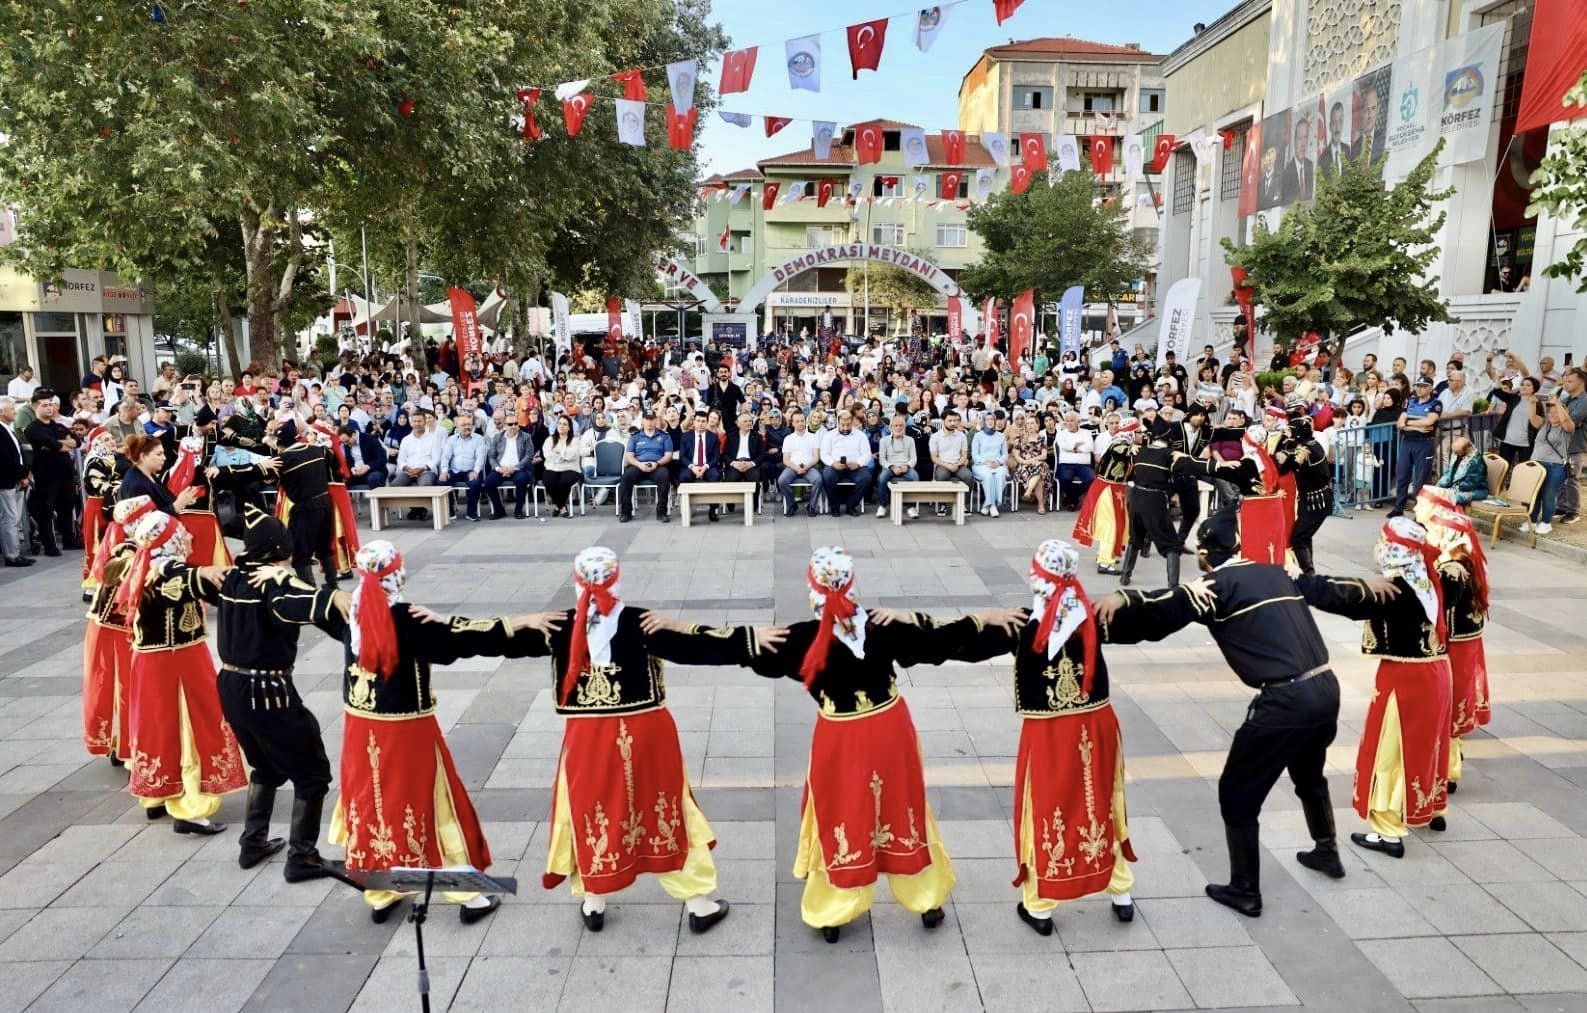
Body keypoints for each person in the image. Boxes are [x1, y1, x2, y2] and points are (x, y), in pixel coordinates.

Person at [1094, 505, 1373, 917]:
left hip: (1284, 700)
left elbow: (1163, 610)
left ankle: (1245, 888)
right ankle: (1326, 850)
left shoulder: (1216, 585)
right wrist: (1372, 588)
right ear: (1239, 545)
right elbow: (1327, 590)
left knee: (1237, 794)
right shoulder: (1275, 572)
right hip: (1325, 688)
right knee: (1308, 774)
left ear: (1205, 554)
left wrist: (1121, 600)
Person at [746, 546, 1020, 942]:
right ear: (852, 583)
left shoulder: (798, 637)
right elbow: (944, 641)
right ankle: (926, 898)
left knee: (842, 813)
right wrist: (987, 620)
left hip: (839, 737)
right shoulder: (883, 624)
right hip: (890, 729)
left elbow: (737, 649)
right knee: (904, 805)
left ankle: (833, 907)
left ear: (812, 587)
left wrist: (726, 636)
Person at [522, 547, 782, 933]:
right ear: (616, 578)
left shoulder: (556, 625)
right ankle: (698, 903)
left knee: (590, 808)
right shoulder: (643, 622)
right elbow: (698, 647)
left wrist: (513, 621)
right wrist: (749, 638)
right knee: (668, 809)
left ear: (576, 581)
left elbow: (486, 639)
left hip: (588, 738)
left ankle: (594, 900)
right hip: (646, 733)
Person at [324, 541, 556, 924]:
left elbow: (308, 601)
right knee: (430, 807)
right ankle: (468, 896)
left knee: (370, 804)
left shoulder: (350, 611)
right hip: (406, 732)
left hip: (360, 730)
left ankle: (380, 890)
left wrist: (317, 588)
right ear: (396, 574)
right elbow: (467, 639)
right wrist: (521, 622)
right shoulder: (410, 620)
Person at [957, 540, 1140, 932]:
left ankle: (1040, 906)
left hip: (1050, 732)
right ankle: (1121, 890)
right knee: (1102, 800)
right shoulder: (1094, 615)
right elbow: (1153, 618)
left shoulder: (1023, 624)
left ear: (1041, 577)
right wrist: (1127, 598)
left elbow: (960, 645)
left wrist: (979, 619)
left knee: (1046, 808)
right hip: (1097, 724)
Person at [1299, 518, 1452, 858]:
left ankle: (1388, 832)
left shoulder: (1396, 588)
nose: (1379, 548)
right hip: (1438, 672)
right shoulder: (1430, 576)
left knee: (1389, 752)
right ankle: (1430, 810)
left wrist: (1299, 582)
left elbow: (1346, 599)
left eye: (1384, 542)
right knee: (1430, 744)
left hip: (1405, 679)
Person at [215, 506, 350, 880]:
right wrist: (333, 596)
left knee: (266, 766)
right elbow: (302, 604)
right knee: (312, 774)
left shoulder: (233, 577)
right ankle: (302, 857)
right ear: (280, 550)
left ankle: (252, 842)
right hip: (267, 691)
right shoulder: (274, 584)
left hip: (230, 686)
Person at [119, 510, 245, 832]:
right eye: (182, 533)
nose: (189, 537)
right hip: (177, 662)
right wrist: (205, 571)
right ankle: (191, 808)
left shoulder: (146, 565)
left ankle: (158, 795)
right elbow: (180, 575)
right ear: (169, 540)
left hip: (154, 663)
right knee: (189, 726)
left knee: (157, 725)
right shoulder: (165, 568)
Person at [82, 497, 151, 766]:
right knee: (124, 687)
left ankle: (118, 743)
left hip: (109, 627)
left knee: (116, 687)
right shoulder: (129, 552)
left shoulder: (123, 544)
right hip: (117, 630)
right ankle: (125, 745)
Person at [273, 423, 339, 584]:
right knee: (324, 548)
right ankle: (332, 585)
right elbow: (334, 463)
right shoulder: (318, 450)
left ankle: (310, 593)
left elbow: (264, 476)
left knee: (301, 553)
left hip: (305, 508)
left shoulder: (282, 460)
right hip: (326, 503)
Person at [1120, 422, 1181, 586]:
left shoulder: (1138, 450)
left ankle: (1125, 576)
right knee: (1172, 545)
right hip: (1155, 500)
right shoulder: (1170, 455)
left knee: (1135, 537)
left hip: (1136, 496)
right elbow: (1177, 481)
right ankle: (1173, 586)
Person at [1074, 419, 1137, 576]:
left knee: (1117, 524)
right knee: (1111, 525)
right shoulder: (1120, 444)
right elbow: (1120, 452)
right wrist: (1132, 449)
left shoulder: (1123, 443)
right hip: (1107, 490)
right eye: (1138, 432)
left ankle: (1105, 555)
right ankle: (1104, 562)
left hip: (1116, 489)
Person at [24, 389, 80, 557]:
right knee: (46, 510)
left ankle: (69, 540)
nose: (50, 408)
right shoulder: (32, 428)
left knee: (67, 506)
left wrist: (61, 443)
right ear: (36, 408)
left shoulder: (58, 425)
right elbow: (51, 443)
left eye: (51, 404)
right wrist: (61, 444)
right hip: (46, 474)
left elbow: (76, 441)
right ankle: (50, 546)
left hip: (65, 472)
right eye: (45, 405)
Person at [1275, 414, 1333, 574]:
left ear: (1298, 433)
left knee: (1298, 538)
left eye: (1290, 431)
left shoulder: (1305, 449)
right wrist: (1285, 446)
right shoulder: (1309, 443)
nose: (1287, 433)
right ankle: (1309, 571)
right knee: (1304, 536)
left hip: (1316, 501)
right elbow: (1285, 466)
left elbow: (1288, 465)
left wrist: (1284, 453)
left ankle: (1308, 575)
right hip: (1311, 499)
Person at [1389, 376, 1441, 516]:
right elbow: (1400, 422)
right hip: (1407, 442)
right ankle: (1398, 508)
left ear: (1430, 388)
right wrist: (1414, 426)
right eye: (1418, 386)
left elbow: (1429, 421)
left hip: (1424, 443)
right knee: (1402, 476)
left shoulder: (1435, 403)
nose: (1419, 389)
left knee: (1421, 480)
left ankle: (1421, 514)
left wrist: (1408, 424)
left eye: (1423, 386)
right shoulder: (1410, 401)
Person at [619, 408, 675, 524]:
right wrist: (639, 464)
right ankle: (626, 512)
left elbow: (669, 455)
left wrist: (657, 463)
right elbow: (629, 456)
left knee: (665, 476)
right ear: (643, 421)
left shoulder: (664, 436)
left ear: (655, 421)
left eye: (652, 419)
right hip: (638, 466)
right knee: (626, 478)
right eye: (647, 419)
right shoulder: (635, 436)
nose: (649, 422)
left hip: (657, 465)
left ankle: (661, 512)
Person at [79, 426, 118, 592]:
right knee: (96, 543)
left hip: (112, 504)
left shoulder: (113, 458)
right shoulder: (95, 460)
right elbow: (97, 485)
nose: (111, 442)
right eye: (106, 439)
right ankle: (92, 586)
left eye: (111, 438)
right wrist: (117, 486)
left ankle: (109, 579)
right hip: (98, 506)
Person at [820, 409, 874, 517]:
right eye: (842, 425)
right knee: (827, 476)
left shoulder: (860, 435)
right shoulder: (829, 435)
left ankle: (851, 505)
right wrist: (832, 463)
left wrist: (858, 463)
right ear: (838, 422)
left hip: (855, 466)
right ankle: (835, 507)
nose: (845, 428)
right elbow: (824, 454)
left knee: (866, 477)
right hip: (835, 466)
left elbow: (867, 454)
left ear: (852, 422)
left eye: (848, 425)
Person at [778, 409, 825, 517]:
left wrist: (805, 467)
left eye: (802, 421)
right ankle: (792, 504)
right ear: (792, 423)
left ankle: (812, 506)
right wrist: (797, 468)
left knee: (818, 479)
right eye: (797, 421)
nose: (800, 423)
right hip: (792, 467)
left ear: (805, 421)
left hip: (809, 467)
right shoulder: (788, 439)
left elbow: (816, 457)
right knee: (782, 480)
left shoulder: (813, 437)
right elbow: (786, 459)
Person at [0, 396, 29, 567]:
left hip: (14, 479)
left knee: (13, 518)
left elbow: (17, 454)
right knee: (9, 518)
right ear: (2, 412)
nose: (15, 411)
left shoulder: (7, 429)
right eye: (12, 409)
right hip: (6, 481)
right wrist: (22, 474)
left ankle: (14, 553)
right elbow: (5, 459)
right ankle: (12, 555)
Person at [678, 411, 723, 522]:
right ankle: (687, 507)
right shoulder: (685, 436)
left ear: (707, 422)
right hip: (691, 466)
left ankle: (713, 510)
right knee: (684, 477)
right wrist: (692, 467)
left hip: (708, 467)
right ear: (694, 421)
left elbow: (716, 457)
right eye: (698, 421)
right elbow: (682, 456)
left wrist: (705, 466)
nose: (701, 424)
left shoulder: (713, 437)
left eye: (703, 421)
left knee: (715, 477)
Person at [874, 412, 919, 519]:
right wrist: (892, 467)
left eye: (901, 426)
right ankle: (882, 505)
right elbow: (882, 459)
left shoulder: (910, 440)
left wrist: (907, 466)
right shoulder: (884, 441)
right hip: (890, 467)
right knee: (882, 478)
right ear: (891, 427)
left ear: (904, 427)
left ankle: (911, 507)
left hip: (905, 467)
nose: (898, 428)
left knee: (915, 477)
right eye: (896, 425)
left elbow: (914, 459)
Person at [534, 414, 579, 518]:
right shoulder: (549, 440)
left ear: (569, 428)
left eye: (564, 424)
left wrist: (558, 452)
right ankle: (562, 506)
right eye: (559, 423)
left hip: (570, 468)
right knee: (549, 481)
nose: (561, 426)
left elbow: (571, 455)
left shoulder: (575, 440)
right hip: (552, 468)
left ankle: (557, 506)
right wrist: (563, 454)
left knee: (564, 481)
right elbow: (547, 455)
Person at [722, 410, 763, 508]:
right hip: (736, 463)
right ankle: (730, 503)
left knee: (754, 479)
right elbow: (725, 454)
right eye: (745, 421)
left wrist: (751, 463)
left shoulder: (756, 436)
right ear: (738, 424)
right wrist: (733, 463)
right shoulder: (731, 436)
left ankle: (754, 504)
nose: (749, 423)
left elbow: (762, 454)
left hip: (750, 464)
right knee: (730, 479)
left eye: (750, 421)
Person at [971, 411, 1009, 516]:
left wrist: (998, 462)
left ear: (995, 421)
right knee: (988, 476)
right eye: (987, 419)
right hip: (981, 465)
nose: (990, 422)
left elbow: (1005, 455)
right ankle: (992, 505)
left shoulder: (1001, 436)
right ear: (984, 421)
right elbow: (975, 455)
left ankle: (988, 505)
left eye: (992, 419)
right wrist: (986, 462)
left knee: (1000, 475)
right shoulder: (978, 436)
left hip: (998, 464)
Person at [1434, 436, 1489, 505]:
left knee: (1451, 498)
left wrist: (1451, 491)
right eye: (1454, 452)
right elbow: (1449, 473)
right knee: (1437, 493)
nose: (1455, 454)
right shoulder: (1456, 454)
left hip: (1475, 490)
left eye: (1457, 452)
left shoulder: (1476, 462)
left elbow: (1470, 485)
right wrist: (1440, 485)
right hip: (1456, 486)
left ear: (1467, 450)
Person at [338, 424, 388, 490]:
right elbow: (349, 462)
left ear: (353, 435)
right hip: (356, 473)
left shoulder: (370, 439)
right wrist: (352, 469)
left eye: (347, 441)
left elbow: (383, 459)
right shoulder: (347, 443)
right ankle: (349, 500)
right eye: (343, 442)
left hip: (374, 470)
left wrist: (367, 467)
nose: (345, 444)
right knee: (339, 479)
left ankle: (377, 500)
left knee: (373, 478)